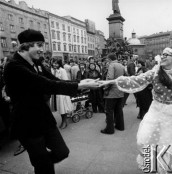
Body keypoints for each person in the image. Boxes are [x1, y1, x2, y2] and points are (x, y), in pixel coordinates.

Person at [3, 29, 100, 174]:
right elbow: (46, 85)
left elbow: (54, 80)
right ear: (25, 45)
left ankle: (41, 165)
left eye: (43, 45)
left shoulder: (37, 63)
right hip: (27, 122)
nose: (42, 50)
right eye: (39, 45)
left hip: (44, 117)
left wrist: (80, 82)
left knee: (62, 152)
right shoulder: (13, 66)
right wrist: (80, 85)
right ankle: (42, 166)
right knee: (43, 165)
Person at [101, 53, 125, 134]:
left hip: (112, 92)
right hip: (120, 91)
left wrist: (106, 87)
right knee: (119, 110)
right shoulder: (121, 65)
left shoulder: (112, 65)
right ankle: (120, 126)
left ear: (110, 59)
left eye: (107, 59)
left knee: (109, 111)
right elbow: (125, 76)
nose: (107, 61)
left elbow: (110, 78)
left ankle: (110, 129)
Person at [51, 58, 74, 129]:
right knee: (59, 107)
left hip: (62, 92)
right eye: (53, 63)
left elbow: (65, 81)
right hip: (55, 92)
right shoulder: (52, 70)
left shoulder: (62, 70)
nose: (54, 64)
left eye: (56, 63)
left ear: (59, 64)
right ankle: (63, 120)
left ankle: (64, 121)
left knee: (63, 107)